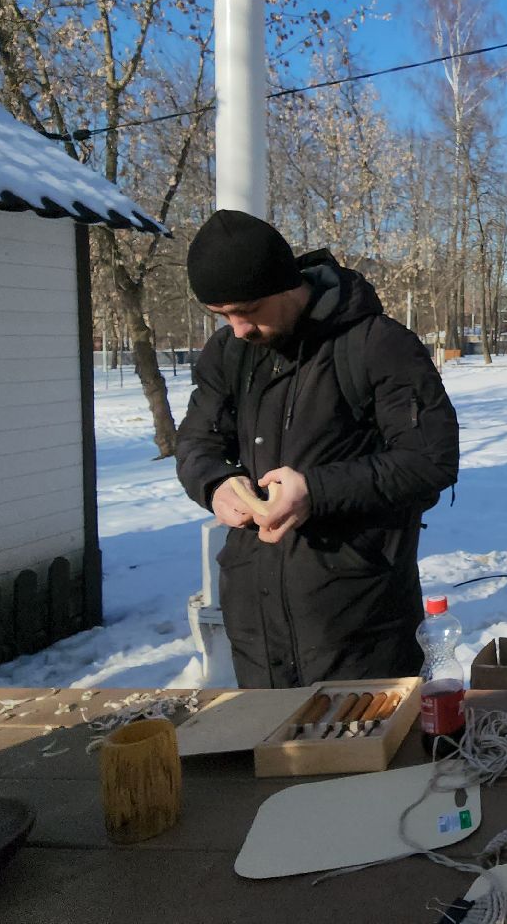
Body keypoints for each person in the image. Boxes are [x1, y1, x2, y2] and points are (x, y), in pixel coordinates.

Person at [176, 210, 459, 688]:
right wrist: (215, 483)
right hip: (255, 623)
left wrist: (316, 491)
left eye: (247, 310)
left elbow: (430, 458)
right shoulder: (227, 355)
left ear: (286, 285)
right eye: (222, 315)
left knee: (362, 759)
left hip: (360, 623)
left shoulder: (376, 345)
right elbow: (196, 441)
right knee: (273, 756)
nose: (238, 327)